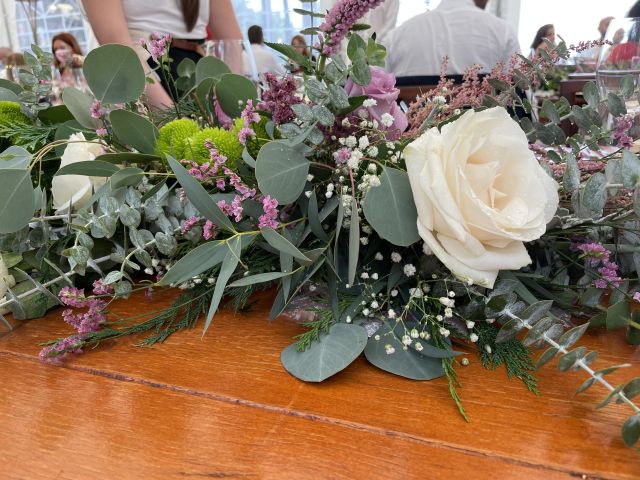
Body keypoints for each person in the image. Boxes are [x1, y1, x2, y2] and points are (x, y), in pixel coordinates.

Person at [82, 0, 243, 108]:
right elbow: (115, 42)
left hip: (200, 79)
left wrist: (233, 105)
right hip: (142, 76)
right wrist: (170, 116)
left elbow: (230, 41)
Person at [385, 0, 520, 77]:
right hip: (484, 126)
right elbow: (524, 103)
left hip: (410, 126)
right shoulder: (503, 33)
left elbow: (374, 98)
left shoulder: (396, 37)